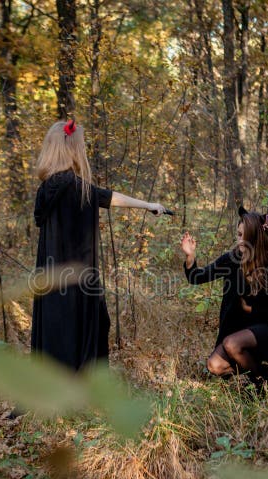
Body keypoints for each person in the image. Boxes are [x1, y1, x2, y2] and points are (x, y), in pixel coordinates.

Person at [31, 119, 167, 371]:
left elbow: (105, 197)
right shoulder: (75, 187)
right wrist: (149, 205)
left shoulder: (46, 189)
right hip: (75, 278)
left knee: (57, 328)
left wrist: (148, 206)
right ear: (72, 149)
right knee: (89, 323)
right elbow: (110, 197)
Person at [180, 207, 268, 386]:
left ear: (256, 238)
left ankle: (260, 383)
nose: (240, 241)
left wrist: (249, 307)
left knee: (231, 344)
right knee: (215, 365)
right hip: (242, 329)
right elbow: (197, 277)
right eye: (238, 234)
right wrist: (190, 256)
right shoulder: (232, 260)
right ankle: (265, 372)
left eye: (245, 236)